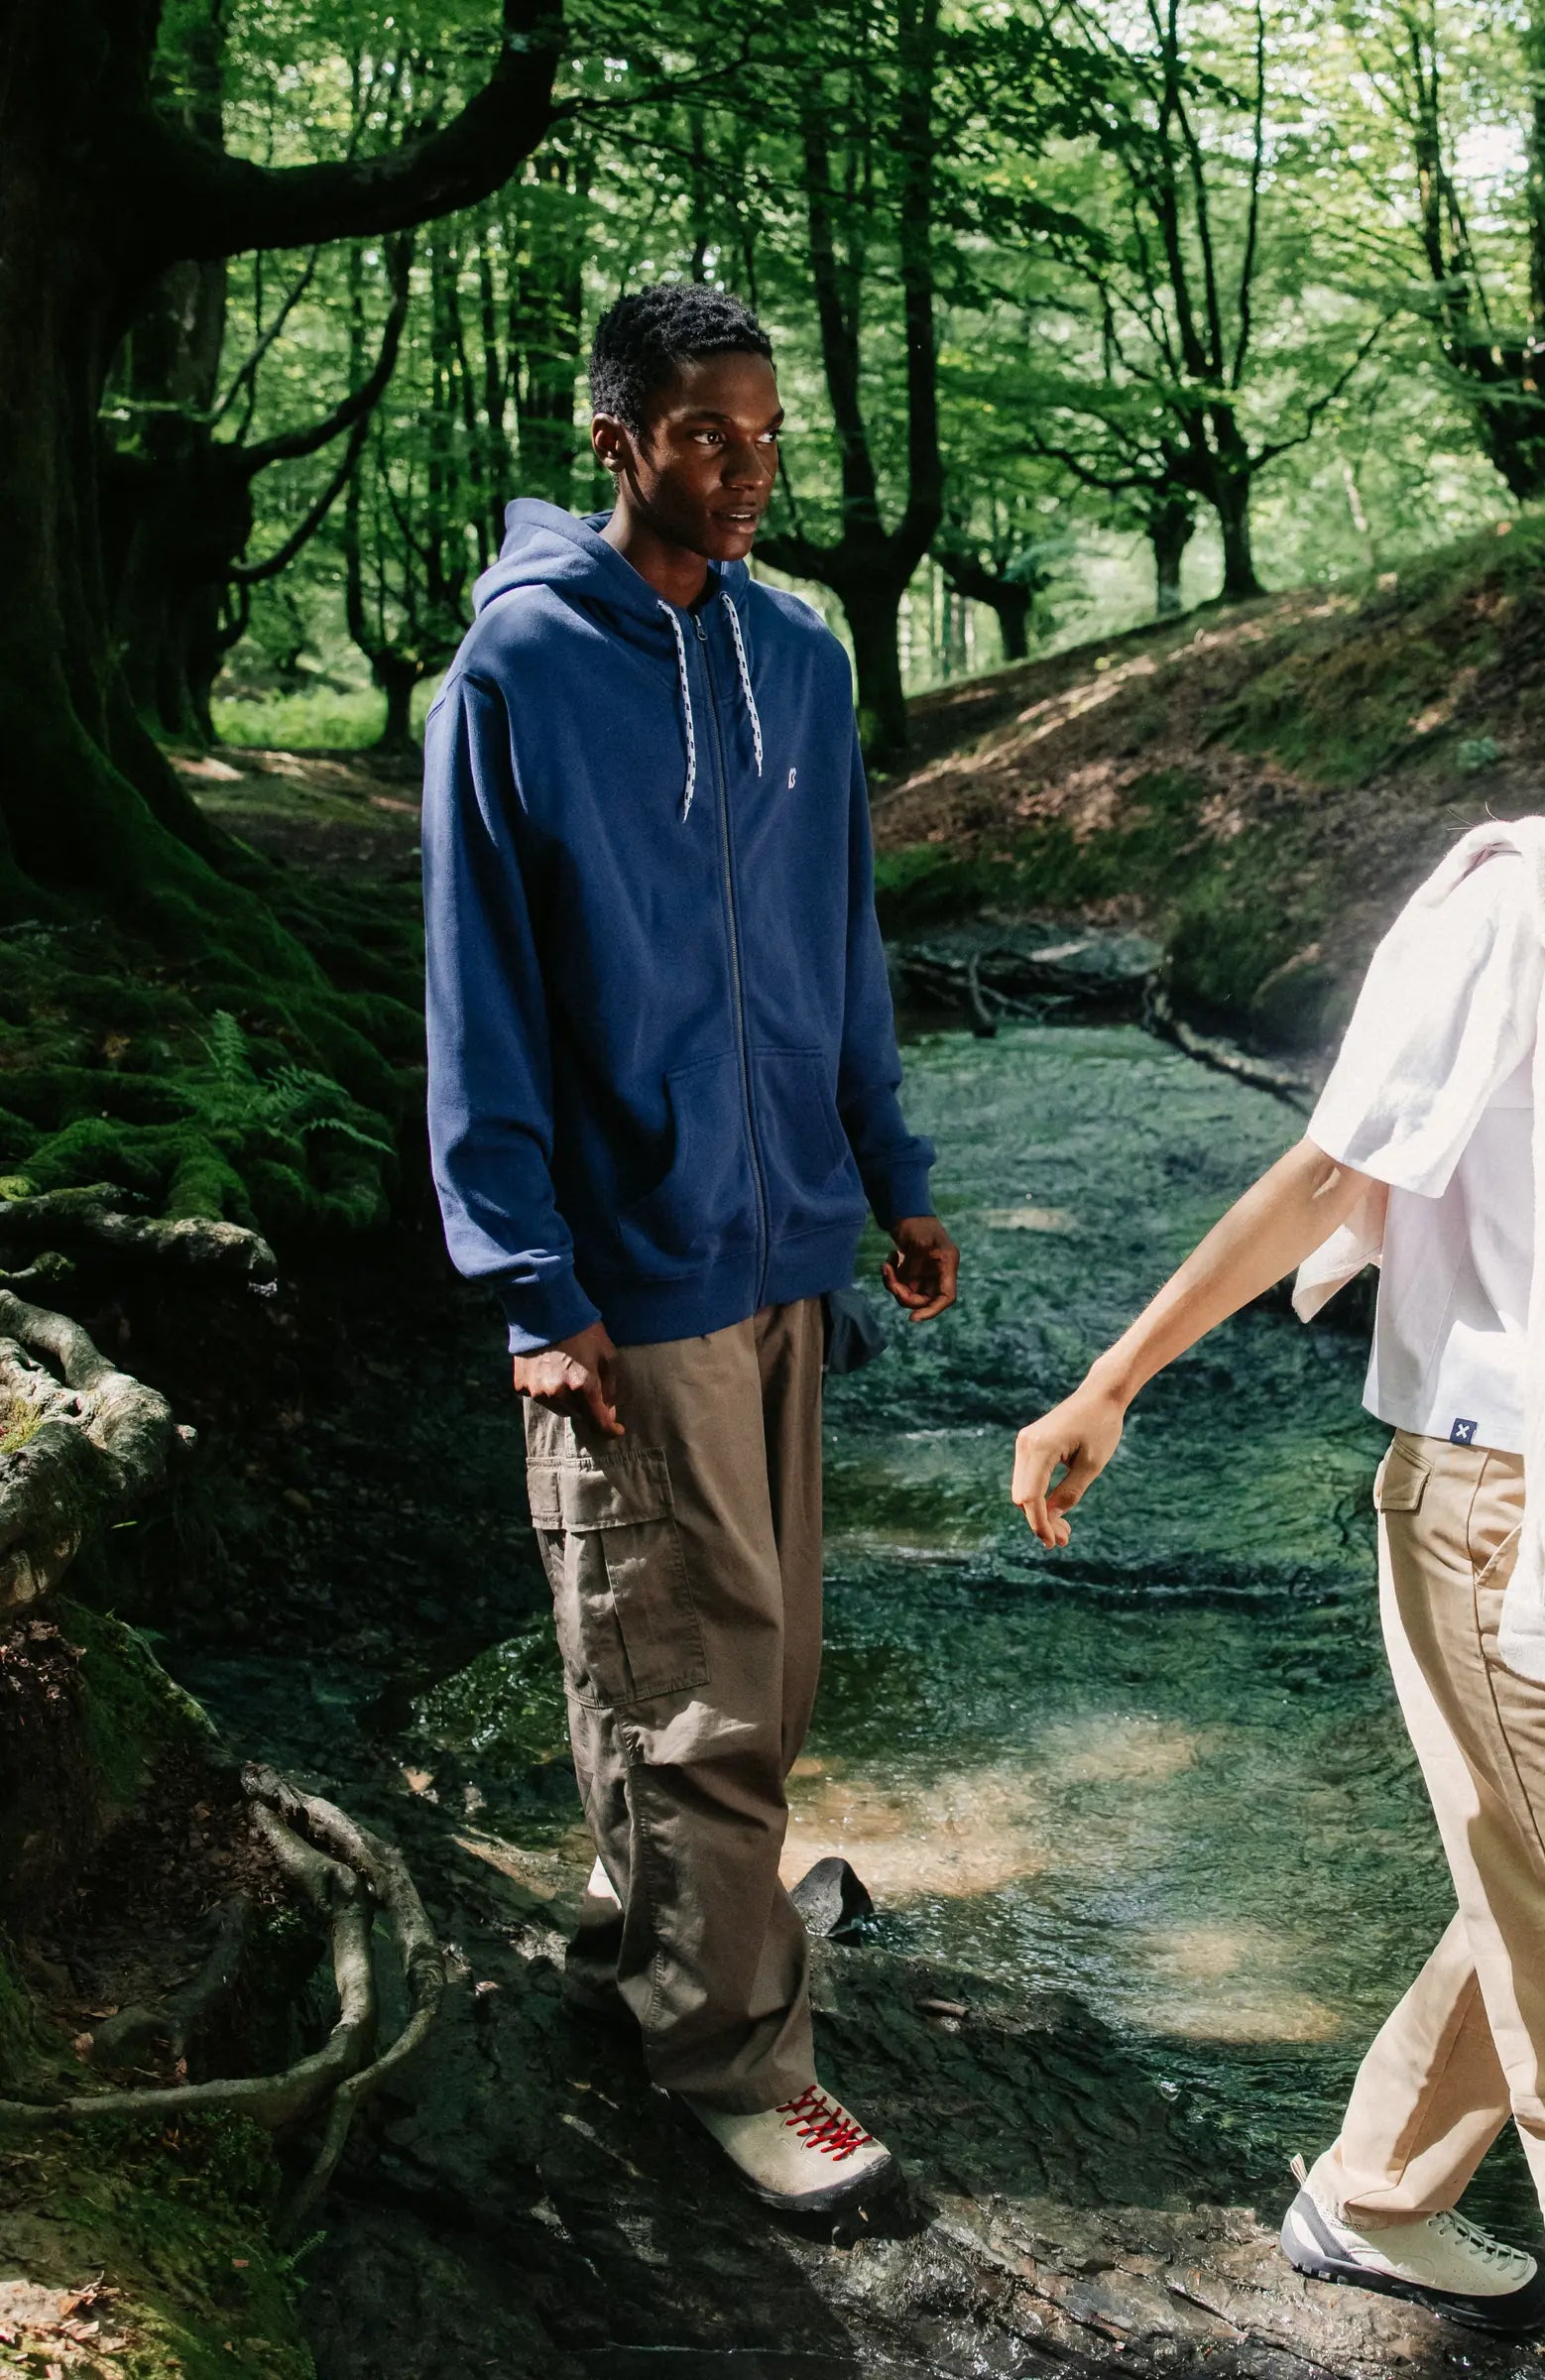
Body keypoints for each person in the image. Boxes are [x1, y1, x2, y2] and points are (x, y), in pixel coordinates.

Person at [422, 282, 959, 2216]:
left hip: (783, 1240)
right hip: (623, 1261)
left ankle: (654, 1936)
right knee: (696, 1669)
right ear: (617, 439)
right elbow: (478, 996)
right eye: (705, 434)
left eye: (767, 436)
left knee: (751, 1658)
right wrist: (529, 1286)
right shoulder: (513, 671)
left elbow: (838, 941)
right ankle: (738, 2060)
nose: (745, 470)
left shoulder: (796, 659)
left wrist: (888, 1170)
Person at [1011, 806, 1545, 2339]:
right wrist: (1112, 1381)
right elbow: (1334, 1177)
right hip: (1505, 1497)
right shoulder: (1516, 910)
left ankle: (1378, 2192)